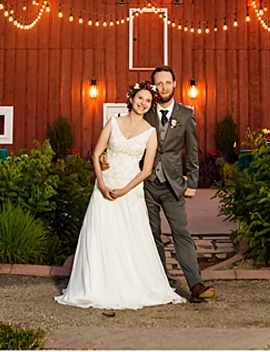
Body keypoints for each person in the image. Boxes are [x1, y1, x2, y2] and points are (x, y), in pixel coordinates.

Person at [55, 81, 184, 310]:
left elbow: (146, 169)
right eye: (140, 98)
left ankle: (130, 285)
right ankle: (97, 285)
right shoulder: (113, 122)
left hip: (130, 189)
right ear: (131, 98)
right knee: (101, 234)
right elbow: (96, 154)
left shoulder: (151, 132)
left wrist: (125, 189)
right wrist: (102, 184)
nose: (143, 103)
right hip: (105, 185)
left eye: (147, 101)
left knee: (129, 236)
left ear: (150, 105)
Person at [103, 66, 216, 303]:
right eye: (159, 84)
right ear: (154, 87)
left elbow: (192, 150)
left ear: (175, 84)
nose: (163, 87)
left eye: (167, 82)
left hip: (174, 184)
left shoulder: (186, 114)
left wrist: (192, 181)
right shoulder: (147, 111)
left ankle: (195, 284)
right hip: (146, 184)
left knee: (181, 232)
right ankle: (160, 281)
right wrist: (106, 156)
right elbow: (126, 134)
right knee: (151, 234)